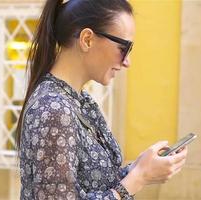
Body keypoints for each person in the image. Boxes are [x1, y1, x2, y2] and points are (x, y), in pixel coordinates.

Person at [16, 0, 188, 199]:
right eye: (123, 48)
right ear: (87, 39)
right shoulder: (53, 109)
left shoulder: (80, 100)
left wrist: (141, 167)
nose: (127, 62)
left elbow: (98, 182)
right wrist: (138, 178)